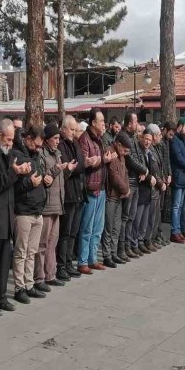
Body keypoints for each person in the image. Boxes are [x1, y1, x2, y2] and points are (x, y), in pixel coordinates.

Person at [0, 119, 30, 316]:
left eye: (12, 140)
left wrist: (21, 173)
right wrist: (14, 172)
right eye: (8, 139)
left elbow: (9, 182)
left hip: (7, 214)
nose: (10, 144)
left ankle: (1, 296)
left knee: (3, 262)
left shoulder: (8, 153)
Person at [11, 125, 49, 303]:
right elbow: (14, 187)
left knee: (31, 251)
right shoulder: (16, 155)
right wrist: (30, 184)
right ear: (27, 139)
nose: (38, 147)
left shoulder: (35, 156)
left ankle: (29, 284)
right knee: (21, 252)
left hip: (37, 211)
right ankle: (19, 287)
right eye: (36, 144)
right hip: (23, 211)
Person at [77, 108, 112, 274]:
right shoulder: (85, 139)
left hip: (102, 187)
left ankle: (93, 259)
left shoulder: (100, 138)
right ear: (93, 123)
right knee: (87, 228)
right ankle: (83, 261)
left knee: (98, 228)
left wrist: (104, 160)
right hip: (91, 189)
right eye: (102, 121)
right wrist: (98, 162)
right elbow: (83, 162)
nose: (104, 124)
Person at [36, 123, 69, 289]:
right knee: (42, 244)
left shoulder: (57, 154)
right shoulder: (42, 154)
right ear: (47, 139)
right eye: (55, 138)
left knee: (52, 242)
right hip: (47, 205)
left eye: (58, 138)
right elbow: (44, 179)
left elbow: (59, 178)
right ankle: (39, 277)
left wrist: (66, 169)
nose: (58, 141)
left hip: (58, 203)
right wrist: (55, 170)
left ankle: (51, 274)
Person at [56, 116, 85, 281]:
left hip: (78, 193)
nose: (74, 133)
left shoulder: (74, 144)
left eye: (75, 130)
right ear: (64, 128)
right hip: (68, 194)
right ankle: (61, 265)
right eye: (72, 129)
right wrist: (75, 167)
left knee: (73, 231)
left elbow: (79, 164)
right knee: (65, 232)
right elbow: (68, 167)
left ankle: (68, 263)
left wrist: (76, 167)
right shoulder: (61, 144)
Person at [119, 112, 149, 259]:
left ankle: (130, 244)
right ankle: (122, 247)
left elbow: (140, 157)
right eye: (135, 121)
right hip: (129, 179)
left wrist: (144, 170)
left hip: (136, 179)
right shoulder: (124, 136)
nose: (137, 124)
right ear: (129, 123)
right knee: (126, 216)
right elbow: (130, 159)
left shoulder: (134, 138)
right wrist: (143, 169)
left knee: (132, 216)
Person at [101, 132, 131, 267]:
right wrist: (125, 189)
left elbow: (124, 174)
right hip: (111, 195)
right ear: (119, 145)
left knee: (116, 227)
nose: (125, 153)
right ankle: (107, 255)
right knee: (109, 226)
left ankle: (113, 253)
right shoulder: (110, 151)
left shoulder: (121, 155)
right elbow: (114, 176)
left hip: (119, 195)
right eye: (124, 150)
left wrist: (127, 189)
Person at [133, 128, 163, 255]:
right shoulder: (138, 151)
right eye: (145, 139)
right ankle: (134, 243)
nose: (147, 142)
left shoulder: (150, 152)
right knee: (137, 219)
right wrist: (147, 175)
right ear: (141, 138)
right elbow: (140, 168)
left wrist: (158, 180)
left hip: (149, 190)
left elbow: (153, 170)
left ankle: (142, 241)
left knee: (145, 219)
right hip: (140, 189)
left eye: (150, 140)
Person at [169, 118, 185, 244]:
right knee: (176, 206)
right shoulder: (175, 141)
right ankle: (174, 231)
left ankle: (178, 230)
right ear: (180, 126)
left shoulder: (182, 140)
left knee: (181, 205)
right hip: (178, 175)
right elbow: (178, 157)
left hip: (184, 176)